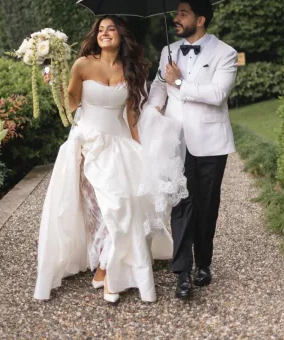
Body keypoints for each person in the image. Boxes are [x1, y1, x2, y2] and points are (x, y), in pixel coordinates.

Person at [34, 15, 187, 304]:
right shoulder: (82, 64)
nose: (105, 33)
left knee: (124, 205)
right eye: (101, 29)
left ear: (121, 36)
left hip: (119, 146)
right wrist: (54, 82)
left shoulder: (130, 69)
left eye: (111, 29)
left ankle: (106, 268)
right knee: (107, 208)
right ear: (96, 36)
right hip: (88, 144)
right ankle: (106, 269)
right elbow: (71, 103)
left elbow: (131, 116)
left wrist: (143, 150)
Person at [148, 0, 238, 300]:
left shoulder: (225, 53)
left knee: (206, 205)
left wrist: (180, 83)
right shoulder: (168, 51)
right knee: (181, 205)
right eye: (176, 12)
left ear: (200, 20)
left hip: (211, 143)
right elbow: (160, 85)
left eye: (183, 13)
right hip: (174, 139)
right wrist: (155, 106)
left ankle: (204, 263)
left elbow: (217, 94)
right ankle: (182, 273)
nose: (177, 18)